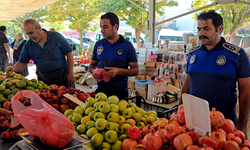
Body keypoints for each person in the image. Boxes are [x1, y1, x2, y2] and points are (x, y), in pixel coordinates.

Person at [181, 10, 250, 137]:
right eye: (199, 29)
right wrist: (180, 111)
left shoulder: (237, 54)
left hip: (225, 125)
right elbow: (187, 85)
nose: (201, 33)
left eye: (206, 29)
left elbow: (246, 92)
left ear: (219, 28)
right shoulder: (193, 54)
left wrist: (242, 124)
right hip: (194, 123)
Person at [6, 19, 75, 87]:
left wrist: (70, 74)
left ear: (39, 28)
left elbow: (69, 54)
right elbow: (22, 63)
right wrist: (13, 68)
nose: (30, 37)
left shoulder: (56, 37)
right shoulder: (28, 45)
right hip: (43, 79)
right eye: (27, 34)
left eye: (31, 33)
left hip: (62, 76)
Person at [89, 12, 139, 100]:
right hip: (100, 92)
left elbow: (135, 71)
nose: (102, 31)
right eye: (101, 27)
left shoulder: (127, 46)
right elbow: (92, 65)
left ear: (115, 27)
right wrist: (93, 71)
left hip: (120, 94)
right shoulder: (98, 45)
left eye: (105, 27)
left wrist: (118, 71)